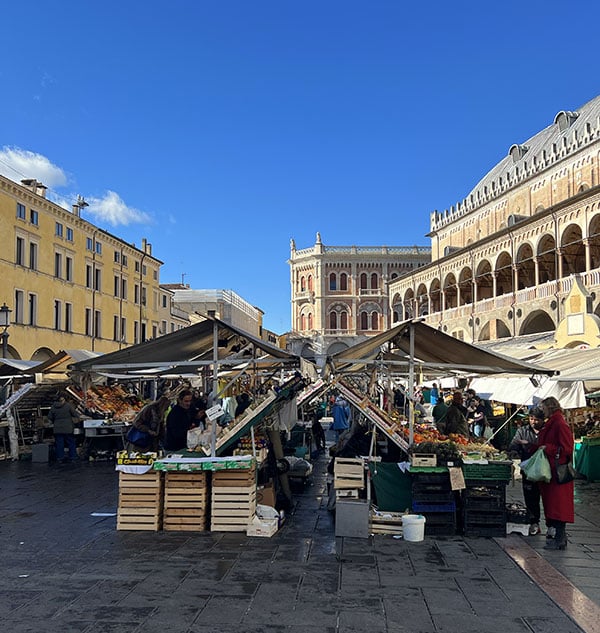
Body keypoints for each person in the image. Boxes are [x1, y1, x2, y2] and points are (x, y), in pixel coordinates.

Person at [537, 396, 575, 550]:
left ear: (550, 407)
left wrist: (548, 448)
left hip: (558, 471)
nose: (542, 411)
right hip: (551, 470)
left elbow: (567, 448)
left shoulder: (559, 424)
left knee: (558, 505)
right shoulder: (553, 423)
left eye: (544, 408)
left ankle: (560, 537)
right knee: (553, 504)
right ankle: (558, 536)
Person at [509, 407, 544, 535]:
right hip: (528, 469)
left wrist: (529, 444)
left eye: (537, 419)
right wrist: (513, 450)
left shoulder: (547, 431)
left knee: (547, 497)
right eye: (531, 419)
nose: (533, 422)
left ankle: (552, 524)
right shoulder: (522, 431)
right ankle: (534, 522)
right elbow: (514, 444)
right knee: (530, 496)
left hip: (545, 469)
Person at [48, 391, 81, 463]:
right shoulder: (68, 406)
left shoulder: (53, 407)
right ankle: (73, 457)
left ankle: (60, 458)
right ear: (64, 398)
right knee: (71, 442)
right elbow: (75, 414)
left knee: (59, 443)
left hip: (57, 428)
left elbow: (50, 417)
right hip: (68, 427)